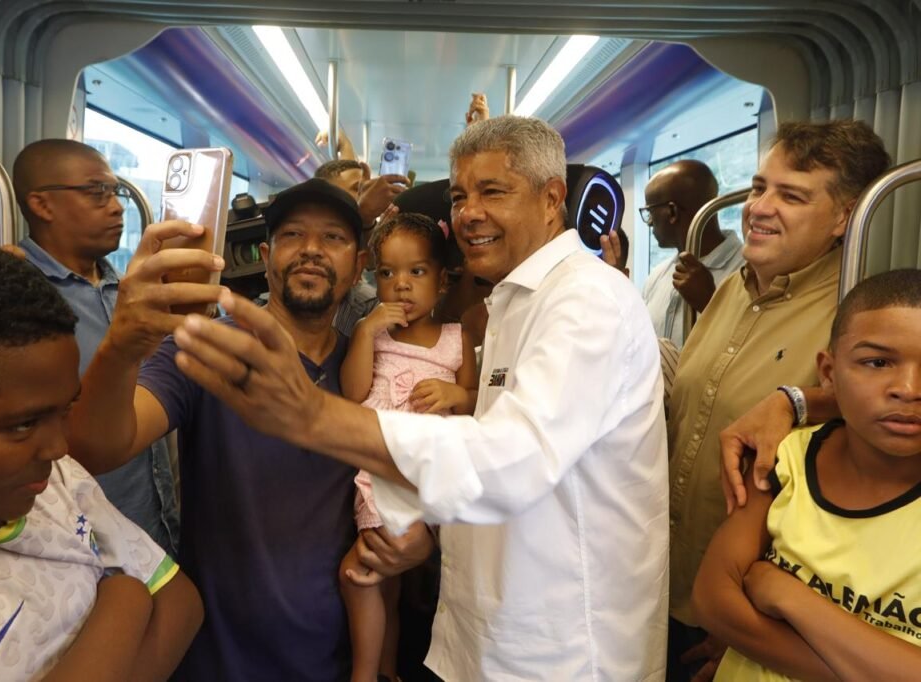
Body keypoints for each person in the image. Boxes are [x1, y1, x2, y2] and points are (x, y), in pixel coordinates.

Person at [169, 115, 670, 680]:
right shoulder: (512, 304)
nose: (469, 212)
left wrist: (316, 417)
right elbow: (471, 453)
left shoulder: (586, 301)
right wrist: (419, 533)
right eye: (459, 196)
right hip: (491, 637)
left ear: (552, 198)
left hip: (565, 653)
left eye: (492, 191)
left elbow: (513, 459)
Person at [65, 177, 435, 679]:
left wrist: (419, 541)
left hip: (339, 660)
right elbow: (99, 447)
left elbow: (412, 481)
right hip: (221, 662)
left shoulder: (369, 372)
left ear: (359, 266)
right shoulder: (207, 348)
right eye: (292, 235)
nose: (311, 249)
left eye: (333, 237)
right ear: (265, 255)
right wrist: (121, 346)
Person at [0, 235, 202, 681]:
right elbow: (147, 594)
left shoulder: (53, 480)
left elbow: (182, 605)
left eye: (64, 411)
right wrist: (125, 597)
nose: (59, 447)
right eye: (22, 425)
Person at [665, 119, 891, 680]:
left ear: (844, 217)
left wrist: (798, 401)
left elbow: (883, 421)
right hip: (670, 580)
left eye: (791, 196)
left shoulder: (859, 315)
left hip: (748, 613)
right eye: (759, 187)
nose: (759, 208)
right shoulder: (731, 290)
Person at [692, 268, 921, 681]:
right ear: (828, 374)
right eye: (877, 362)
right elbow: (713, 599)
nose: (908, 388)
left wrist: (788, 596)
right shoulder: (788, 457)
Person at [11, 139, 179, 554]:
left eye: (116, 192)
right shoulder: (13, 294)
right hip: (70, 542)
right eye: (97, 192)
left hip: (156, 524)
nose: (117, 207)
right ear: (42, 204)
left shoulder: (128, 290)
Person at [339, 212, 478, 682]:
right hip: (378, 472)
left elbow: (477, 404)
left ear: (442, 280)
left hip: (425, 476)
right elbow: (353, 393)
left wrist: (457, 395)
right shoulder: (375, 336)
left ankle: (363, 675)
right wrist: (365, 331)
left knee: (357, 574)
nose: (401, 284)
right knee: (385, 586)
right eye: (387, 272)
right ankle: (386, 671)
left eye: (416, 271)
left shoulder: (457, 338)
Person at [639, 160, 744, 348]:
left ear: (672, 212)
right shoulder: (656, 277)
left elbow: (754, 349)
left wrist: (710, 303)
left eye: (650, 212)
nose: (649, 223)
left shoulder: (747, 272)